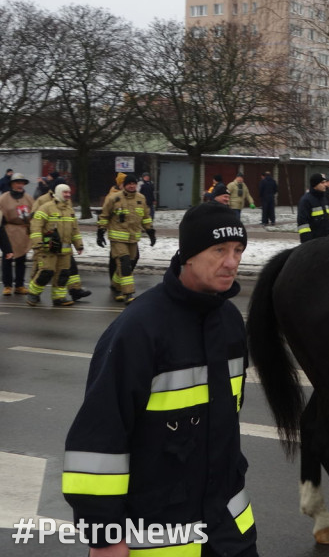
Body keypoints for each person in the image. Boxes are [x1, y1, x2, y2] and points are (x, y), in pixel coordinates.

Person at [63, 203, 258, 557]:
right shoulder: (138, 330)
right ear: (188, 255)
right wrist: (104, 536)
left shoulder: (230, 322)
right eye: (219, 250)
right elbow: (99, 442)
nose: (232, 262)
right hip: (160, 539)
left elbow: (226, 423)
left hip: (230, 534)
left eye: (238, 250)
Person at [97, 174, 155, 304]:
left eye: (133, 183)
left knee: (130, 262)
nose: (131, 185)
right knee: (124, 264)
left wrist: (150, 231)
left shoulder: (141, 198)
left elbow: (145, 217)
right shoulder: (114, 198)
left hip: (133, 238)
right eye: (129, 183)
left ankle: (116, 286)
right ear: (124, 185)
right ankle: (128, 293)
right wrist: (101, 231)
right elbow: (104, 215)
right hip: (117, 237)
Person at [26, 183, 83, 307]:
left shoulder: (70, 210)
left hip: (65, 251)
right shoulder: (46, 208)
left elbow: (75, 230)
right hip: (47, 249)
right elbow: (35, 227)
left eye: (69, 192)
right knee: (46, 272)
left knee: (63, 274)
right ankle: (33, 294)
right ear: (58, 193)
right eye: (65, 192)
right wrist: (38, 243)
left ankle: (59, 298)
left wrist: (79, 245)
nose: (68, 195)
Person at [1, 172, 33, 295]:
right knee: (7, 258)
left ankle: (19, 285)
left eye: (22, 183)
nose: (20, 185)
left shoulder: (28, 198)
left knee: (21, 259)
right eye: (17, 183)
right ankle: (7, 285)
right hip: (8, 231)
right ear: (12, 184)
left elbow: (34, 213)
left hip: (23, 231)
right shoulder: (4, 198)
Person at [297, 173, 329, 242]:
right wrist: (307, 242)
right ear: (315, 185)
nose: (325, 185)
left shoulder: (324, 198)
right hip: (313, 242)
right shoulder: (306, 200)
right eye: (322, 183)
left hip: (326, 240)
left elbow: (327, 220)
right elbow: (303, 223)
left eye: (325, 182)